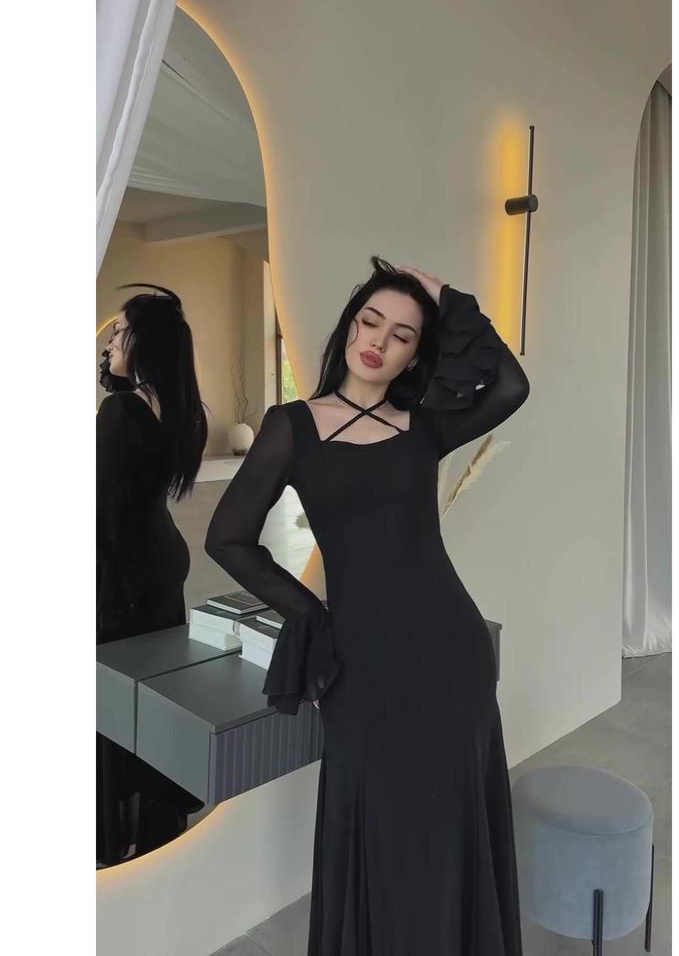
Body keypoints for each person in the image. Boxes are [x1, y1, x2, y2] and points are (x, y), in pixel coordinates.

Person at [205, 256, 530, 954]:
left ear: (416, 351)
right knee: (379, 831)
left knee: (447, 828)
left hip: (452, 656)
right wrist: (310, 615)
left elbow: (511, 385)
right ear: (350, 326)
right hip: (362, 667)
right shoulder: (292, 426)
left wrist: (446, 297)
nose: (379, 341)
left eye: (403, 334)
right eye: (370, 320)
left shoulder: (422, 425)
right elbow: (227, 539)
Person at [96, 283, 208, 867]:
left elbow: (106, 508)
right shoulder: (182, 411)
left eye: (120, 331)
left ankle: (111, 839)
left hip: (122, 573)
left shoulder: (121, 412)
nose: (111, 340)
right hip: (161, 562)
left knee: (109, 704)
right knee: (156, 697)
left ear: (145, 341)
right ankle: (155, 827)